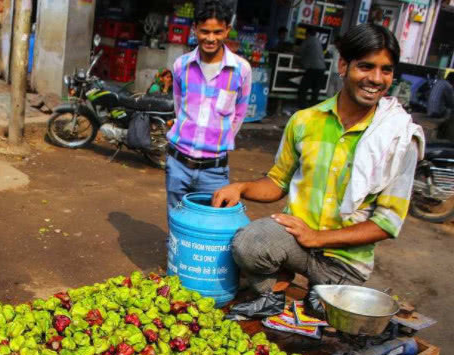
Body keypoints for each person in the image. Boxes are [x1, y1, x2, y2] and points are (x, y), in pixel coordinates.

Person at [212, 24, 424, 319]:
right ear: (343, 65)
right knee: (249, 242)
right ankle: (271, 296)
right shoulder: (304, 121)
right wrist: (241, 188)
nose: (376, 79)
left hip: (345, 264)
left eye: (385, 70)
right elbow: (277, 181)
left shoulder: (400, 138)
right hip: (297, 242)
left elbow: (387, 223)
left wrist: (318, 237)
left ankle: (318, 291)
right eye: (365, 67)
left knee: (321, 311)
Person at [165, 0, 252, 219]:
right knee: (177, 221)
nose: (210, 38)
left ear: (227, 31)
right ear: (195, 29)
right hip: (178, 163)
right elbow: (179, 107)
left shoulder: (241, 70)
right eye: (204, 31)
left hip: (215, 170)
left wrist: (219, 141)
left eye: (217, 32)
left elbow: (239, 114)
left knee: (211, 225)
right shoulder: (181, 66)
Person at [298, 29, 327, 109]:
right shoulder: (318, 41)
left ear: (308, 34)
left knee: (303, 87)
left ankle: (303, 106)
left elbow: (300, 51)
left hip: (313, 68)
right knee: (316, 89)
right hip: (321, 69)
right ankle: (313, 107)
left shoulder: (308, 40)